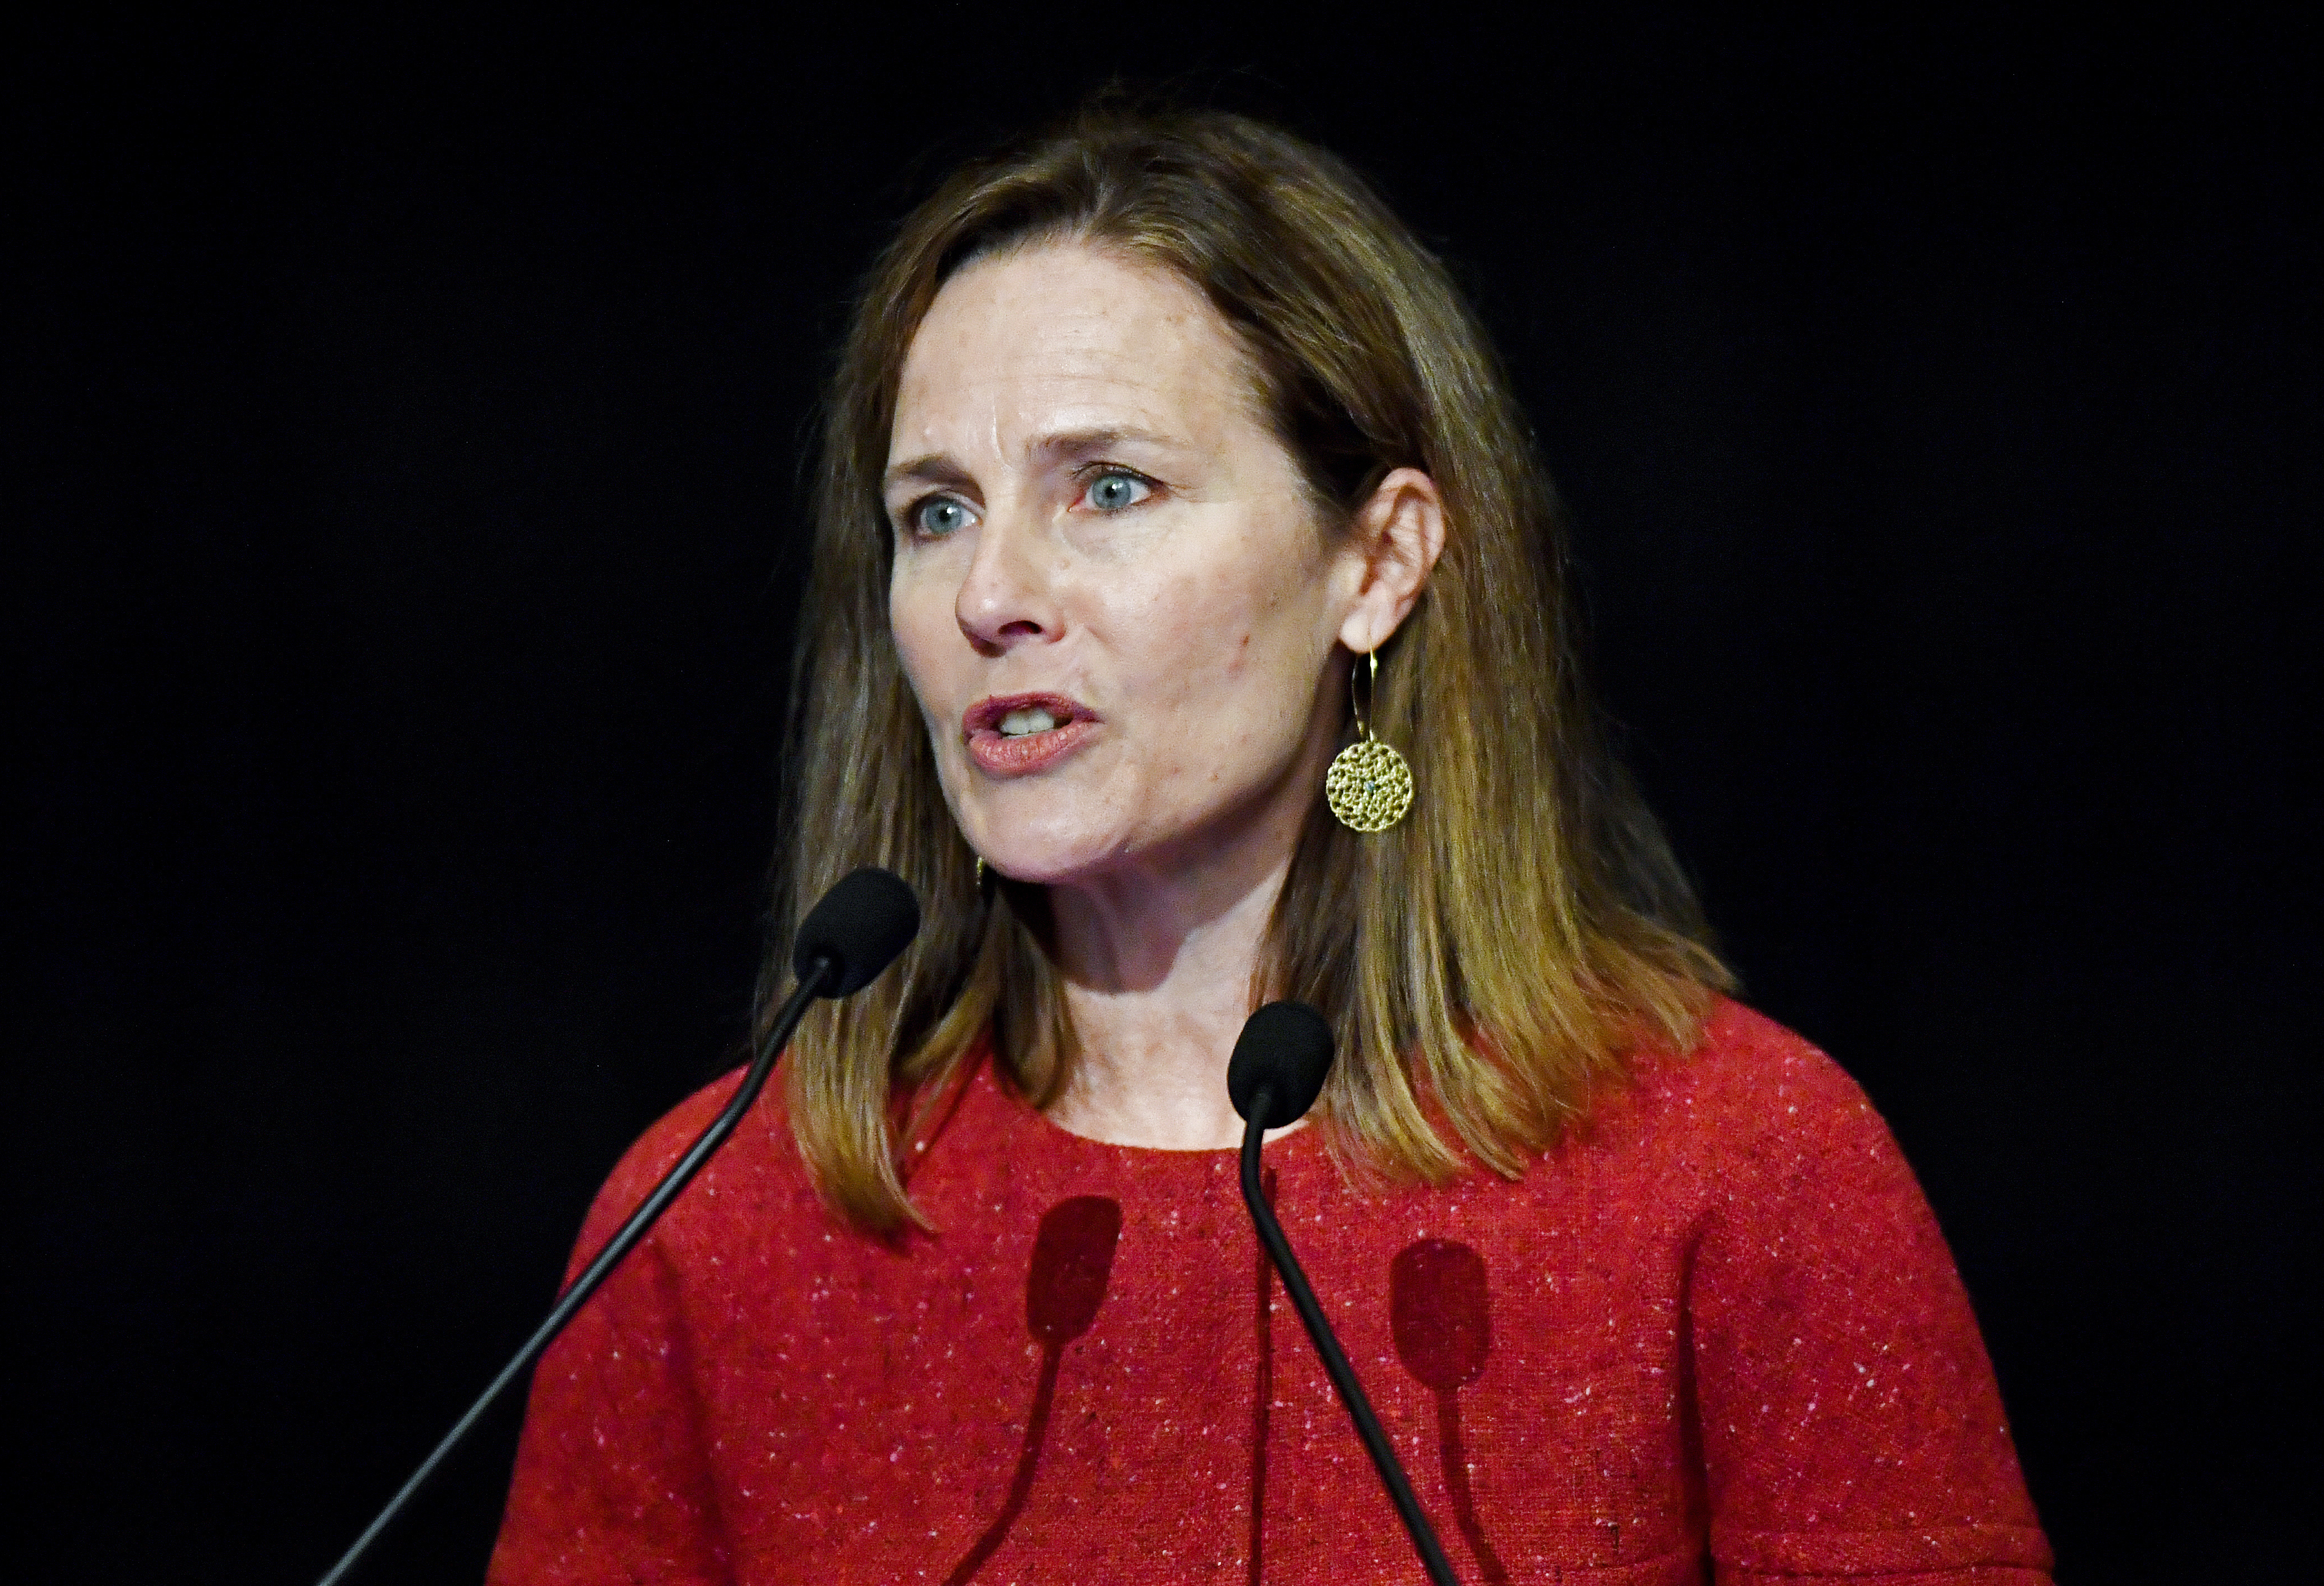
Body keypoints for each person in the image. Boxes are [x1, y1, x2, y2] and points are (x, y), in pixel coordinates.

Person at [489, 99, 2052, 1584]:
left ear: (1375, 564)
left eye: (1107, 487)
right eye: (934, 513)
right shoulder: (719, 1220)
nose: (987, 596)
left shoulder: (1743, 1169)